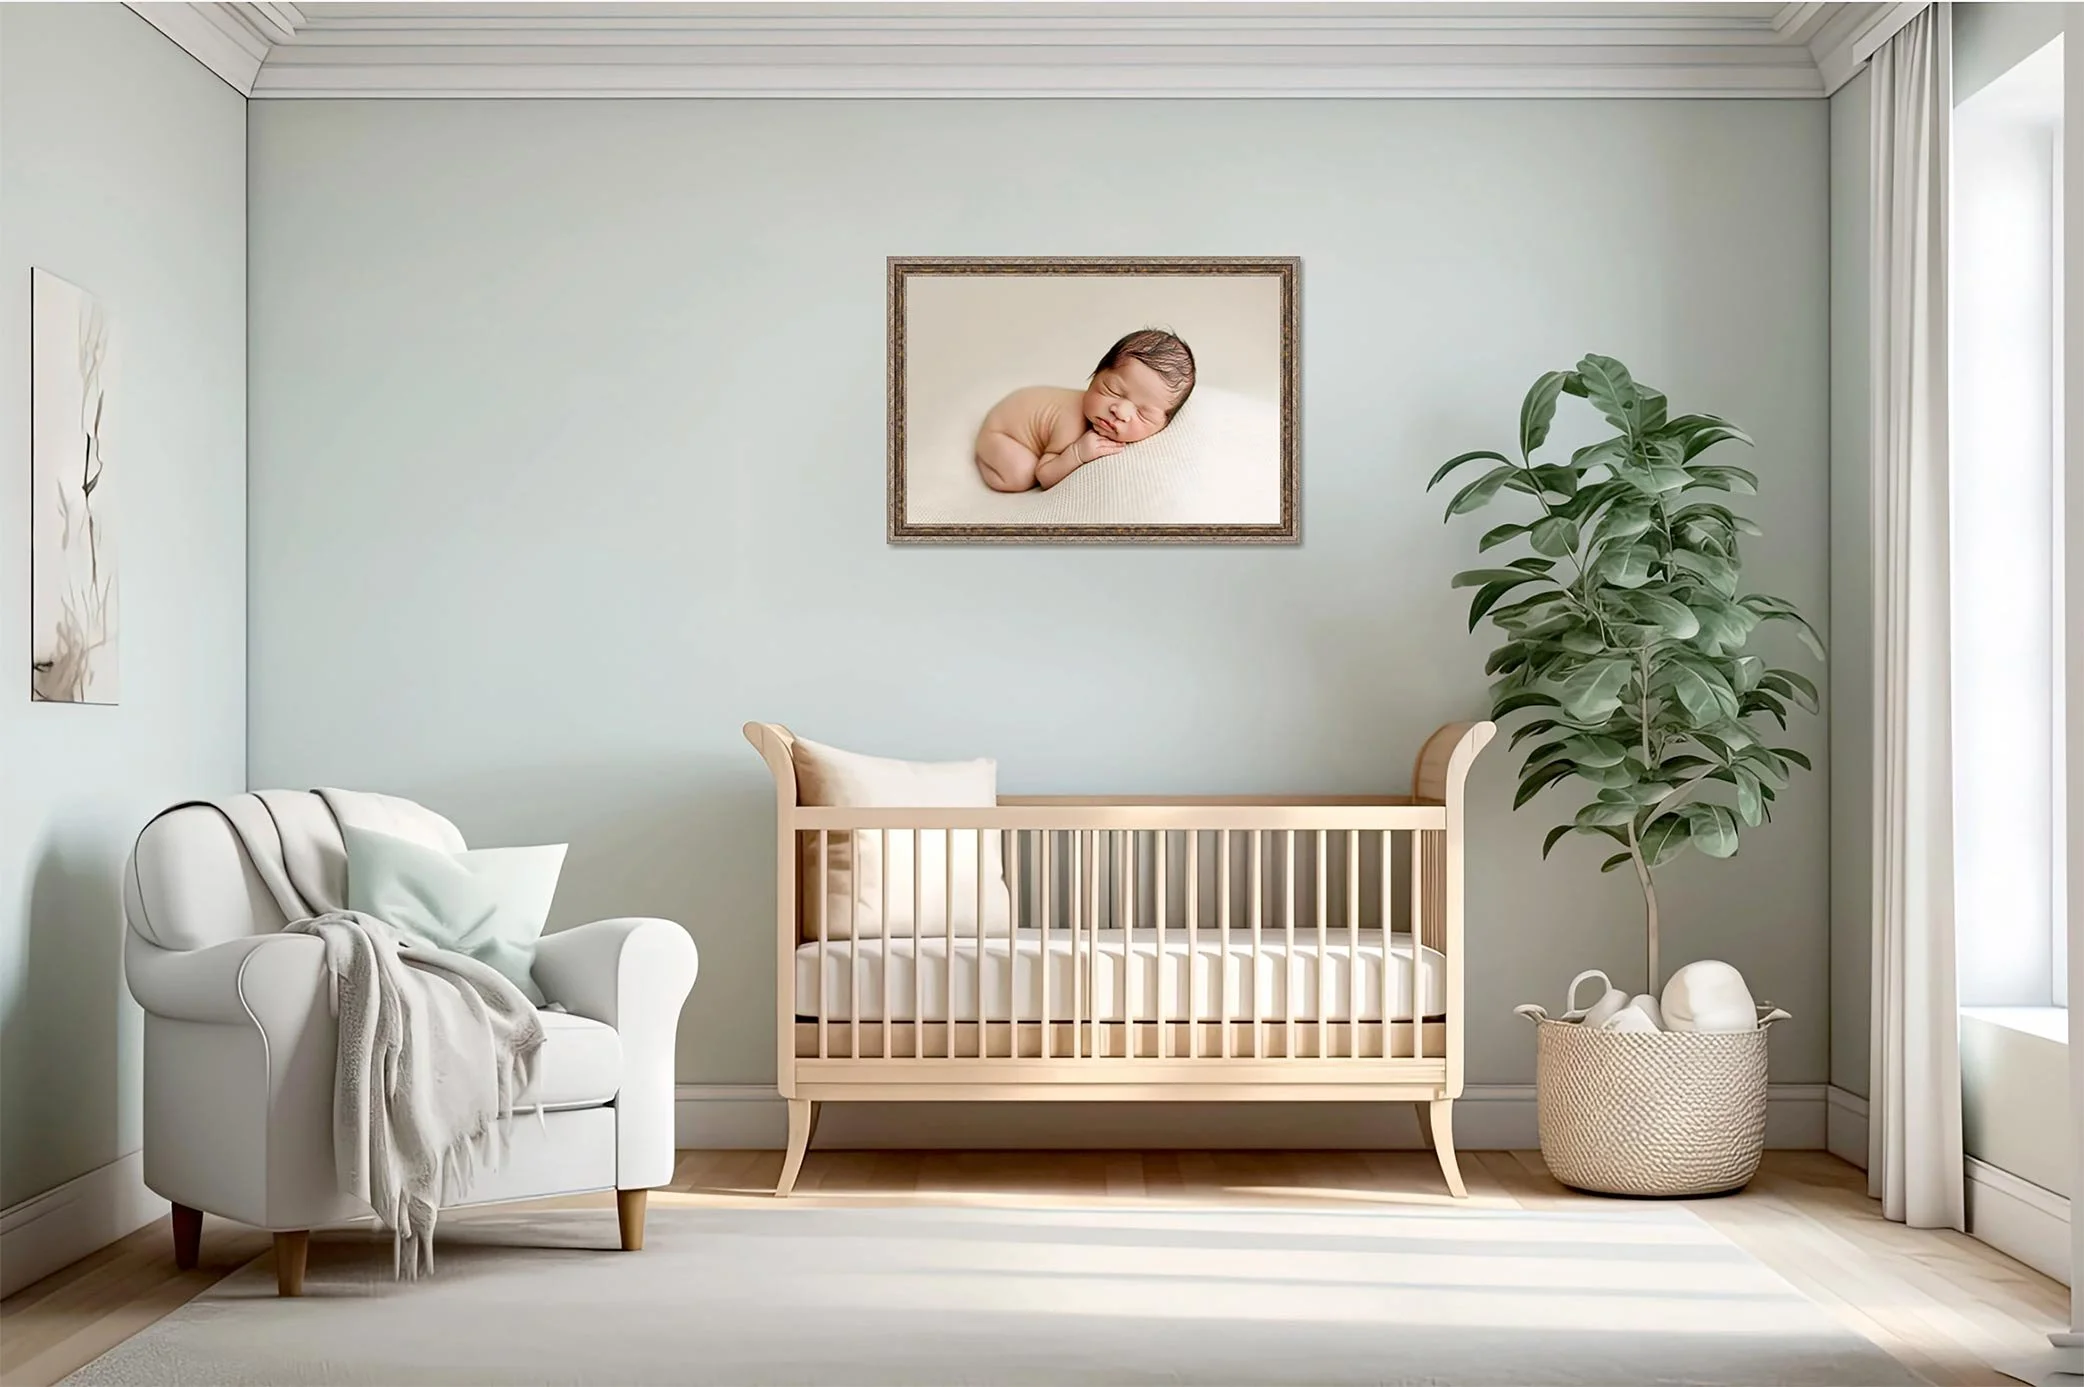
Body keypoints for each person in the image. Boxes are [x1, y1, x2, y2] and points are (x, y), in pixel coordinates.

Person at [973, 328, 1196, 493]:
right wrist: (1078, 453)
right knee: (1021, 474)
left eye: (1143, 414)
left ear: (1164, 424)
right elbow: (1045, 475)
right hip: (1003, 433)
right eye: (1113, 390)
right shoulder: (1071, 420)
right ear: (1094, 377)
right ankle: (983, 458)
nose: (1120, 412)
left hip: (1012, 415)